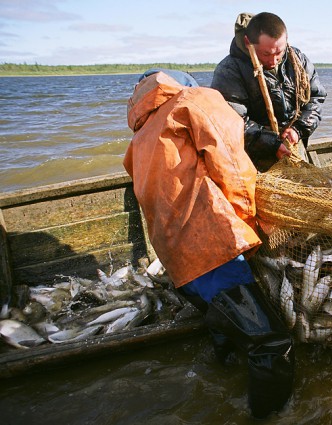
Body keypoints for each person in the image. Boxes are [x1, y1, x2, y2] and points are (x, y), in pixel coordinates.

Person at [123, 69, 294, 419]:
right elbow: (231, 166)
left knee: (226, 327)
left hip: (178, 263)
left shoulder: (138, 141)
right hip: (211, 249)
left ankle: (220, 392)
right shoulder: (194, 101)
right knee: (271, 344)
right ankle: (269, 417)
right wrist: (249, 229)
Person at [211, 12, 327, 171]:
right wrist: (272, 144)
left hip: (294, 145)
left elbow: (316, 97)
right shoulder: (229, 71)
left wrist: (298, 129)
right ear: (247, 42)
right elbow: (232, 121)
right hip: (254, 158)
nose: (273, 61)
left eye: (279, 52)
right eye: (266, 54)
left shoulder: (298, 59)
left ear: (286, 40)